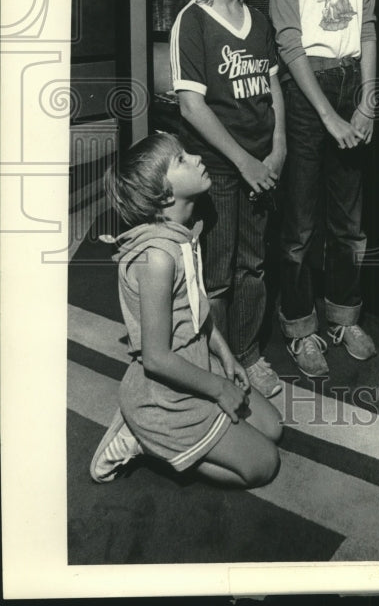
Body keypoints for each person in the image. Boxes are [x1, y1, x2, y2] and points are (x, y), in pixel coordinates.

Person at [91, 132, 282, 486]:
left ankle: (175, 431)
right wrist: (219, 388)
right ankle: (143, 438)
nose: (195, 158)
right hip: (166, 392)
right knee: (263, 465)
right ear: (164, 195)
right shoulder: (158, 258)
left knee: (272, 427)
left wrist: (226, 356)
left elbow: (197, 309)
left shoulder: (183, 233)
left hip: (197, 363)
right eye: (180, 160)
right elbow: (156, 358)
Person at [170, 0, 285, 398]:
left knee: (254, 264)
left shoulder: (258, 20)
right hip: (220, 168)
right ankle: (218, 361)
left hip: (261, 165)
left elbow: (273, 88)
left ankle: (250, 353)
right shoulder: (191, 21)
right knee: (216, 272)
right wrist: (244, 162)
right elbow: (192, 107)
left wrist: (278, 150)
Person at [268, 0, 377, 378]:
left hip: (350, 83)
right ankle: (299, 327)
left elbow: (369, 32)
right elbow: (290, 46)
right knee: (299, 226)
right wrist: (328, 114)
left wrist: (368, 100)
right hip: (306, 87)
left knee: (349, 222)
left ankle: (343, 316)